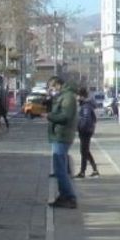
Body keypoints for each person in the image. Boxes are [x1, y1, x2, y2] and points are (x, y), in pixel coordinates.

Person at [46, 77, 78, 209]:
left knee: (60, 170)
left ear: (58, 85)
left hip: (62, 135)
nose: (51, 91)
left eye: (52, 88)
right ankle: (64, 195)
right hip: (59, 135)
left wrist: (49, 116)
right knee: (60, 168)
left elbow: (65, 116)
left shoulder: (68, 97)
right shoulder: (63, 96)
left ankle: (69, 197)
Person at [75, 88, 99, 179]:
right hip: (87, 130)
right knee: (85, 151)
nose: (76, 98)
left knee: (83, 151)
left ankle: (83, 171)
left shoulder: (86, 106)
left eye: (77, 96)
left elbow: (86, 119)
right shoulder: (86, 105)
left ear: (81, 96)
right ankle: (94, 169)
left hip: (85, 131)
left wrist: (80, 128)